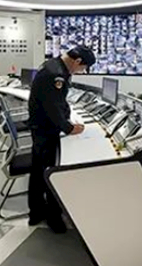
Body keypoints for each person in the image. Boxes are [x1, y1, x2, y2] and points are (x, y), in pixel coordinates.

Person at [27, 45, 96, 233]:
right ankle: (53, 218)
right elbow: (52, 107)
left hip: (40, 127)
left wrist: (66, 119)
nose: (80, 71)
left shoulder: (54, 65)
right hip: (45, 130)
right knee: (50, 172)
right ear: (77, 61)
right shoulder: (56, 75)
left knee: (38, 170)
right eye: (82, 68)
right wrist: (69, 128)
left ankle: (36, 212)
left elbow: (58, 102)